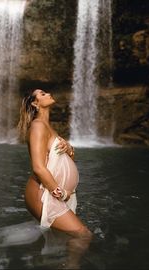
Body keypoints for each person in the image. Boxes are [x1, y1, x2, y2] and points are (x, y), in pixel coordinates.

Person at [17, 89, 92, 241]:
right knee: (83, 235)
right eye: (42, 94)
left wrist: (69, 149)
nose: (48, 93)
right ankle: (73, 265)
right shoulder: (38, 126)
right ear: (35, 103)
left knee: (64, 238)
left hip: (54, 192)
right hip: (44, 193)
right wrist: (61, 193)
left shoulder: (48, 127)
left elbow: (63, 160)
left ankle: (52, 263)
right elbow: (38, 167)